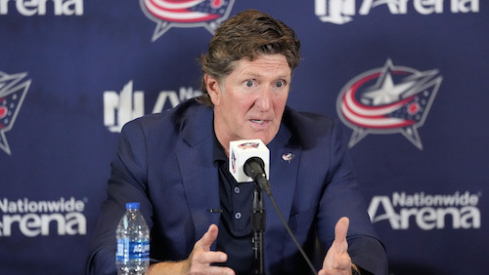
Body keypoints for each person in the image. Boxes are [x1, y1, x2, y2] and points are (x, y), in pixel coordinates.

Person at [87, 9, 388, 275]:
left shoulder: (319, 142)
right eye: (250, 83)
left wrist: (352, 270)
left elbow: (363, 245)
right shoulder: (148, 144)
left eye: (279, 84)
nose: (267, 105)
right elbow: (108, 260)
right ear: (214, 87)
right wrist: (181, 271)